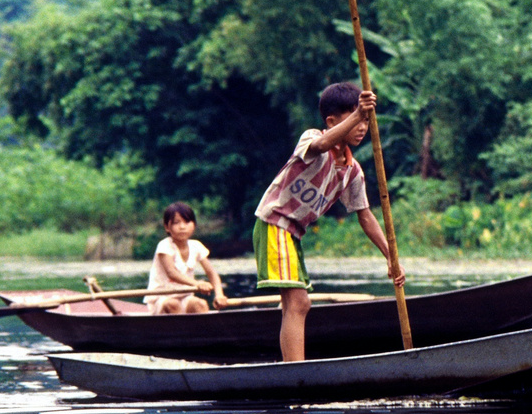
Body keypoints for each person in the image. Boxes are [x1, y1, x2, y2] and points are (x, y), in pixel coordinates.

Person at [253, 81, 405, 361]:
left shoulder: (352, 171)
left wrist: (390, 257)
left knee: (294, 305)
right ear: (332, 121)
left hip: (293, 233)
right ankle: (295, 373)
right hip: (274, 222)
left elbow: (365, 215)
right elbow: (323, 143)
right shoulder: (313, 139)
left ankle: (293, 368)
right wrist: (360, 112)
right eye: (355, 119)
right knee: (298, 302)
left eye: (366, 121)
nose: (362, 127)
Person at [147, 201, 229, 314]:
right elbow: (172, 273)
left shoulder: (196, 246)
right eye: (176, 223)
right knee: (173, 305)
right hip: (160, 299)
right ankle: (184, 331)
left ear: (194, 224)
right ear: (167, 227)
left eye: (187, 222)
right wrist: (197, 284)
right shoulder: (164, 246)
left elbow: (212, 273)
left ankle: (201, 331)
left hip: (184, 297)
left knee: (201, 304)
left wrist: (219, 295)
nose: (182, 227)